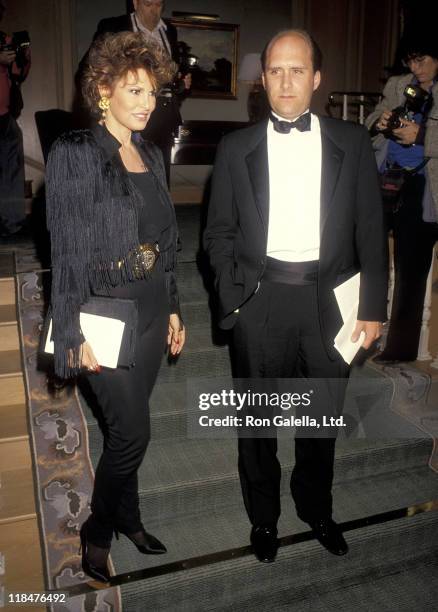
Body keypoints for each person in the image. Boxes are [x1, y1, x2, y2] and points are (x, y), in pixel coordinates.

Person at [204, 30, 387, 563]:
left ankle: (316, 509)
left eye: (298, 70)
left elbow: (371, 230)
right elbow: (217, 233)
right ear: (263, 80)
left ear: (317, 78)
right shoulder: (235, 148)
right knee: (257, 425)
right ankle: (264, 519)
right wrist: (232, 294)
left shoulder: (351, 143)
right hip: (261, 302)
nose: (287, 81)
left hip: (329, 303)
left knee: (320, 420)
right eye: (277, 70)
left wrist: (373, 308)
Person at [46, 31, 185, 582]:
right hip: (101, 317)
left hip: (151, 315)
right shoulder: (75, 154)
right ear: (104, 90)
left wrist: (173, 306)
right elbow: (68, 249)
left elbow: (167, 238)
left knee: (128, 428)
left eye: (152, 92)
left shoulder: (150, 151)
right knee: (133, 433)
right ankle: (97, 531)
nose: (147, 103)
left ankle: (129, 515)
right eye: (135, 90)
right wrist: (71, 331)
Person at [365, 30, 438, 363]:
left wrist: (421, 135)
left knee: (411, 268)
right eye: (410, 60)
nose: (415, 67)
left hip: (423, 187)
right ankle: (366, 334)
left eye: (421, 59)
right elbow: (369, 118)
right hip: (387, 177)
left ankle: (400, 349)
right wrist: (380, 122)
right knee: (370, 256)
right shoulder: (397, 84)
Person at [90, 0, 191, 185]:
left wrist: (182, 86)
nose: (154, 10)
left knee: (160, 177)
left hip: (165, 114)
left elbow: (168, 77)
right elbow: (90, 71)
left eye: (158, 5)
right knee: (120, 177)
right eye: (148, 4)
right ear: (135, 3)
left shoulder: (170, 31)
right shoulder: (113, 26)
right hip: (125, 113)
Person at [0, 0, 30, 236]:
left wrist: (21, 56)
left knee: (12, 169)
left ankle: (13, 223)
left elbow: (19, 74)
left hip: (5, 115)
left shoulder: (4, 38)